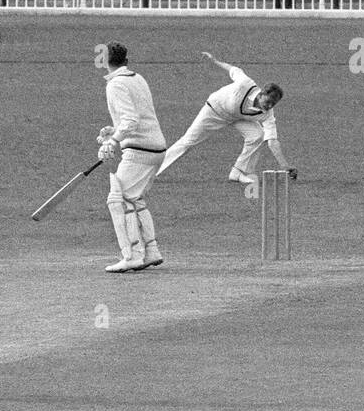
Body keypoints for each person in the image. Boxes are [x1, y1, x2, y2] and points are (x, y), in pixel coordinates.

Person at [157, 50, 296, 185]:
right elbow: (234, 69)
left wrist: (285, 166)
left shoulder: (268, 113)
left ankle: (238, 172)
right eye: (268, 101)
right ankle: (152, 171)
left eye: (273, 103)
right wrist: (215, 61)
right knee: (188, 141)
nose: (269, 105)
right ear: (261, 94)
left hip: (236, 118)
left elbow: (272, 141)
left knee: (258, 135)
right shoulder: (245, 84)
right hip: (214, 111)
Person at [96, 42, 167, 274]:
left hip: (140, 151)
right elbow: (135, 118)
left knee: (117, 200)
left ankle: (132, 256)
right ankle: (151, 251)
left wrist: (114, 141)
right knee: (135, 200)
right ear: (126, 60)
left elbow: (131, 121)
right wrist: (112, 133)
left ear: (105, 61)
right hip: (155, 148)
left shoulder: (116, 84)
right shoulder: (137, 78)